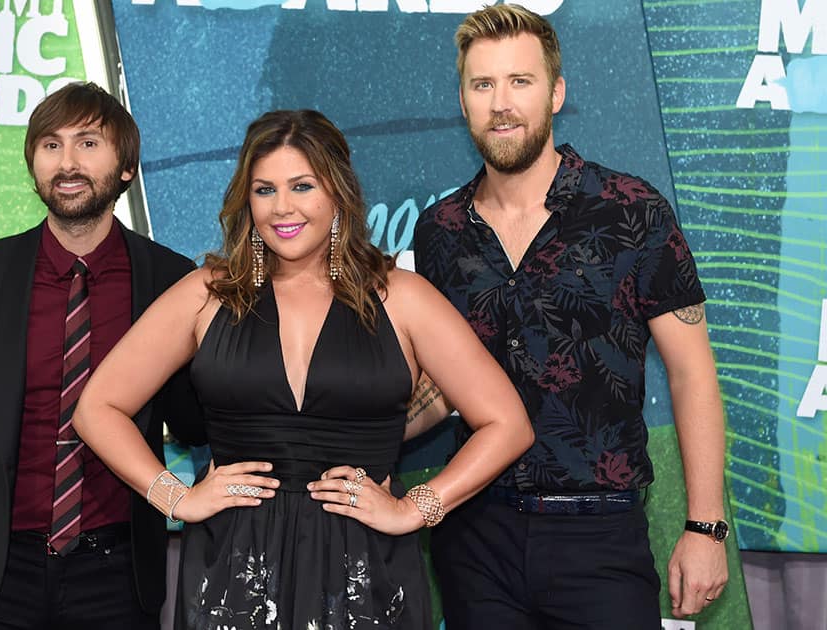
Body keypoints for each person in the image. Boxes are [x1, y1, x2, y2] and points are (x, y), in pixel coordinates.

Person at [72, 109, 533, 630]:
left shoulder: (401, 297)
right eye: (264, 190)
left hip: (365, 569)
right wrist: (176, 498)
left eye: (302, 186)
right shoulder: (207, 293)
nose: (282, 207)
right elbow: (97, 408)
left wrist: (414, 508)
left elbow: (507, 423)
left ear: (336, 190)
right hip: (232, 571)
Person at [411, 5, 729, 628]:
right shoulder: (440, 231)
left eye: (520, 82)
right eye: (483, 85)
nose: (502, 103)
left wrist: (705, 527)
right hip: (474, 536)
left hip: (599, 536)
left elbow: (693, 375)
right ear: (464, 100)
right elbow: (441, 387)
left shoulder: (633, 212)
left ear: (556, 92)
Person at [0, 81, 203, 630]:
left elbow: (194, 421)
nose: (67, 162)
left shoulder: (170, 279)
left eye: (88, 143)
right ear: (34, 166)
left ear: (126, 168)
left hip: (118, 575)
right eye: (51, 145)